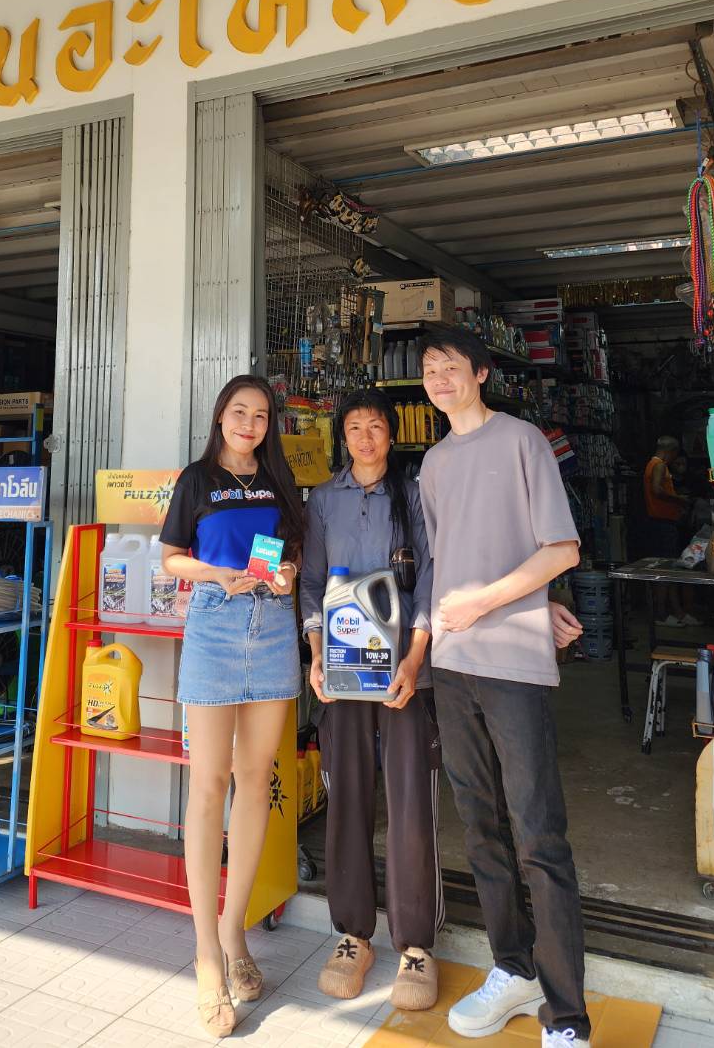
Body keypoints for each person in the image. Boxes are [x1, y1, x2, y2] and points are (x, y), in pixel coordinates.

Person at [417, 325, 591, 1047]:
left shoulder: (523, 441)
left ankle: (567, 1013)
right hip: (453, 663)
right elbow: (444, 562)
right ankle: (513, 967)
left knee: (538, 832)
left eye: (450, 365)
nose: (438, 378)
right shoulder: (432, 462)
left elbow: (562, 547)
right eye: (429, 369)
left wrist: (495, 602)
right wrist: (435, 637)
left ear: (482, 371)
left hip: (512, 664)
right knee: (480, 827)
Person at [160, 375, 303, 1039]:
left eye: (262, 414)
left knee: (255, 780)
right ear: (220, 416)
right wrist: (215, 573)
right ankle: (206, 957)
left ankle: (234, 930)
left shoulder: (277, 480)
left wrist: (288, 573)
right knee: (209, 785)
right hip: (215, 626)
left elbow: (293, 553)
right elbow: (170, 559)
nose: (250, 422)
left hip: (271, 628)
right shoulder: (196, 480)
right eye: (240, 411)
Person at [301, 388, 442, 1012]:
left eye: (376, 427)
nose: (365, 438)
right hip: (342, 674)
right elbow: (310, 583)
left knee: (411, 801)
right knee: (347, 798)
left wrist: (414, 658)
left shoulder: (414, 495)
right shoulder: (322, 501)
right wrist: (316, 654)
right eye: (354, 427)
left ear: (392, 433)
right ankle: (352, 935)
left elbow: (432, 579)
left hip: (404, 675)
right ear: (343, 437)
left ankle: (416, 945)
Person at [643, 434, 698, 628]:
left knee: (668, 568)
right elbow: (657, 490)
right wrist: (679, 500)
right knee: (664, 569)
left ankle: (675, 612)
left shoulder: (652, 465)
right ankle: (661, 614)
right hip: (662, 523)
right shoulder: (659, 466)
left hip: (661, 522)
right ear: (671, 451)